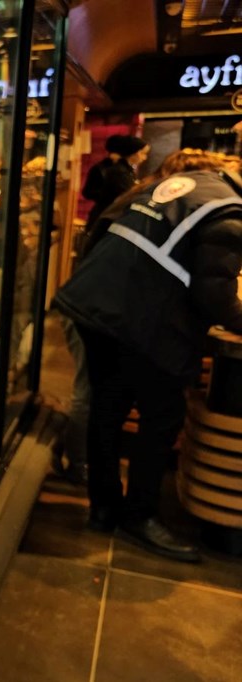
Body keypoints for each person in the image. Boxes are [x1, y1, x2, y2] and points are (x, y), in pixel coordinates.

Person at [55, 163, 242, 563]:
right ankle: (140, 516)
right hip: (137, 320)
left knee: (108, 408)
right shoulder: (228, 211)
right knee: (162, 417)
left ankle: (104, 508)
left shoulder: (189, 188)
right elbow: (215, 293)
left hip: (96, 303)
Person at [81, 134, 149, 233]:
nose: (144, 158)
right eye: (142, 153)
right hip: (105, 216)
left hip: (110, 216)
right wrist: (107, 195)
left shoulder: (127, 170)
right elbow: (88, 192)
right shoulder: (113, 170)